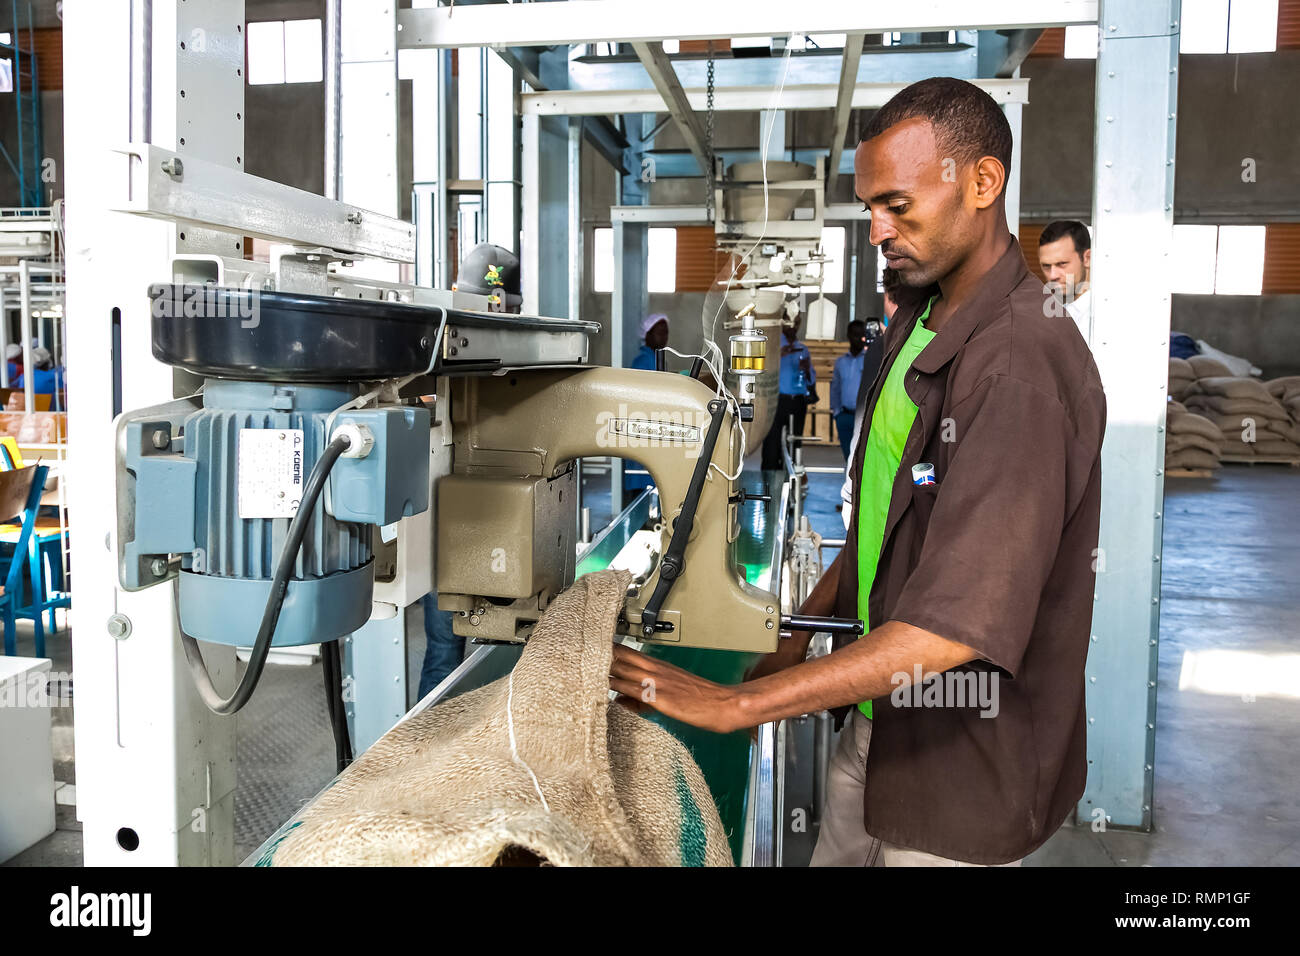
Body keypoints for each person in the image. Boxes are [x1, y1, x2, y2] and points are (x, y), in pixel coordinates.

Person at [610, 76, 1106, 868]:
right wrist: (797, 634)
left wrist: (740, 702)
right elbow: (883, 528)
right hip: (877, 722)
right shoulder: (913, 324)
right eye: (870, 205)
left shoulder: (1018, 368)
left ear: (981, 183)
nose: (876, 229)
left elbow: (953, 627)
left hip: (963, 769)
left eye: (897, 205)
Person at [417, 242, 523, 700]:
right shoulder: (435, 349)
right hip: (456, 526)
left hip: (478, 525)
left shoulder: (439, 346)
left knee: (465, 649)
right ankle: (432, 748)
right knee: (456, 649)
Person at [760, 303, 816, 471]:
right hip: (776, 402)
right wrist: (778, 355)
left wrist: (807, 370)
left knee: (795, 444)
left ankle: (791, 483)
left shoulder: (803, 349)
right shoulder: (771, 346)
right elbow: (761, 370)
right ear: (782, 321)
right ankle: (769, 484)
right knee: (772, 445)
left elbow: (811, 380)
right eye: (790, 321)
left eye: (797, 322)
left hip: (797, 402)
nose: (793, 325)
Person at [1037, 219, 1091, 340]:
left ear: (1087, 258)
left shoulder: (1106, 316)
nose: (1052, 275)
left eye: (1062, 264)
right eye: (1046, 266)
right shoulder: (1055, 315)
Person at [830, 320, 869, 459]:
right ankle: (850, 481)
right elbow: (835, 388)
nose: (859, 339)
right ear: (848, 336)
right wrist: (837, 413)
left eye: (862, 335)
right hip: (844, 416)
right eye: (855, 335)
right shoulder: (841, 362)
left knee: (862, 457)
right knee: (848, 456)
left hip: (863, 416)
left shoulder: (870, 360)